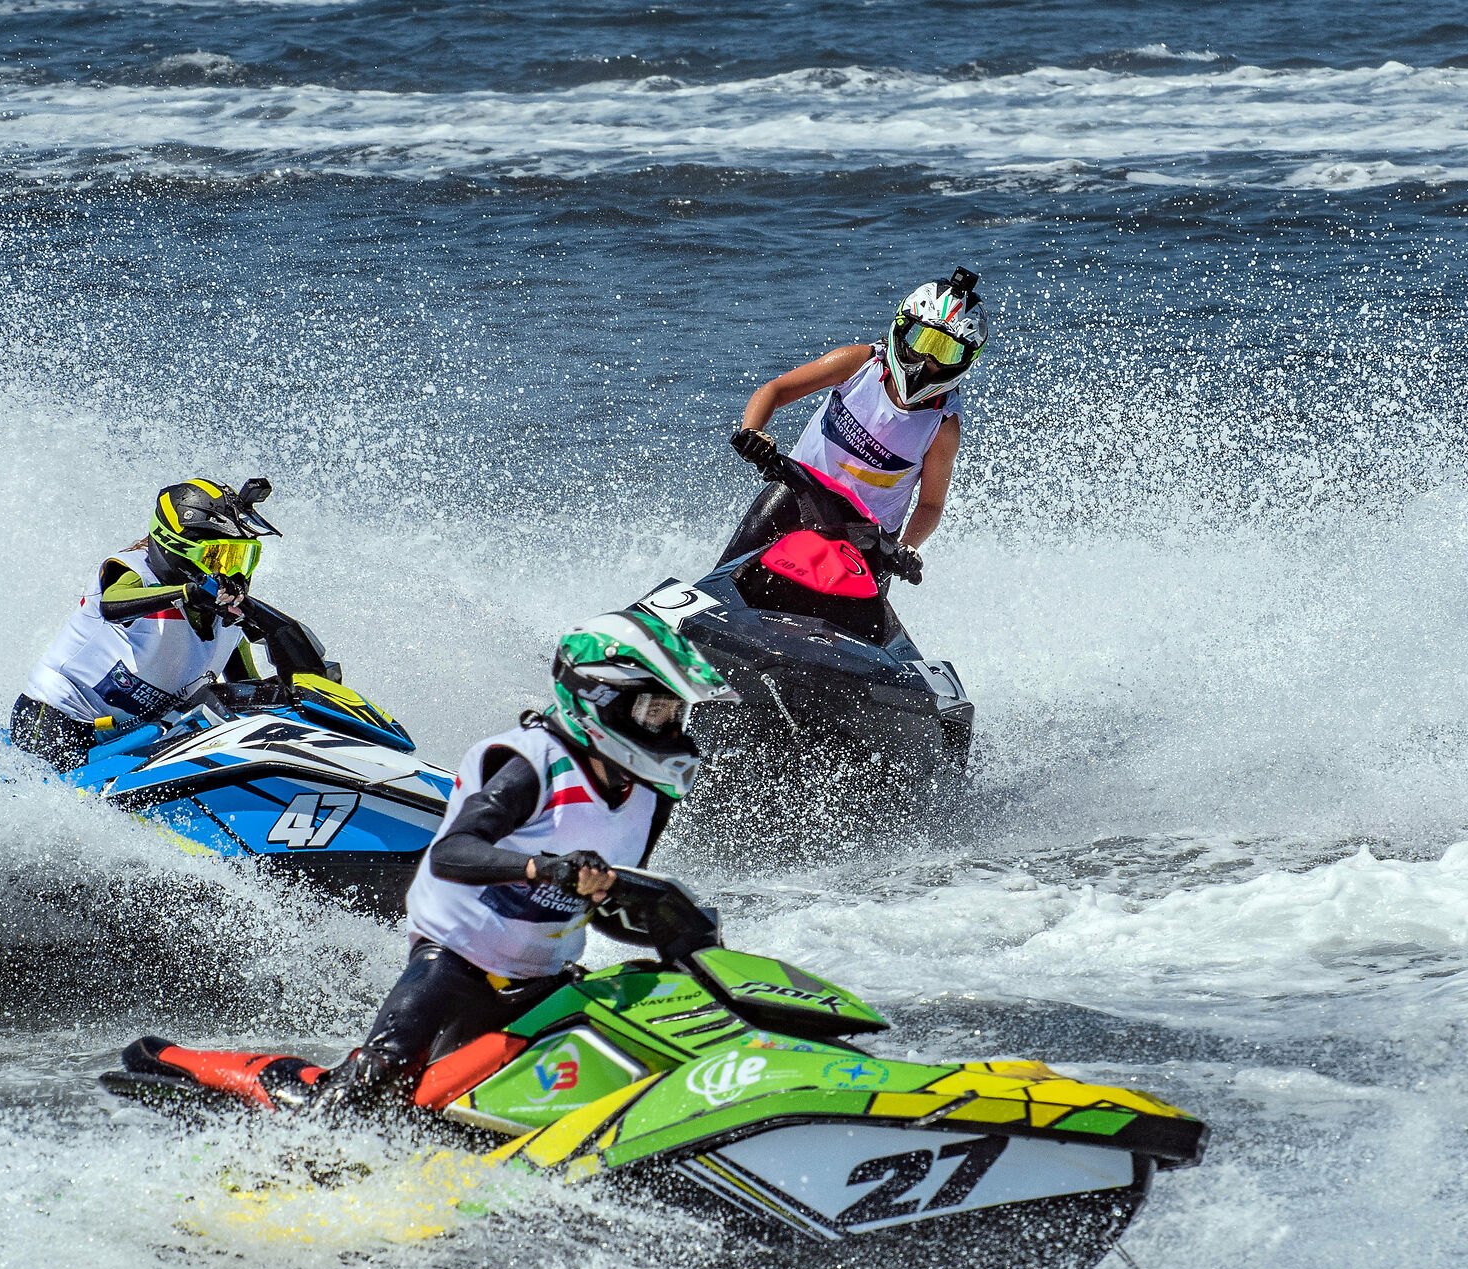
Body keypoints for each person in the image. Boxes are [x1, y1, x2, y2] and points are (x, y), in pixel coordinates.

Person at [315, 609, 739, 1111]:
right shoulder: (533, 763)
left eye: (674, 716)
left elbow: (604, 907)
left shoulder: (651, 795)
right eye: (654, 713)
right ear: (598, 698)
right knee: (376, 1081)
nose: (668, 732)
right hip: (452, 964)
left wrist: (674, 929)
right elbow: (451, 853)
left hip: (542, 981)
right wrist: (547, 868)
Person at [723, 267, 989, 571]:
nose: (926, 359)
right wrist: (752, 432)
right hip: (796, 496)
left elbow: (930, 505)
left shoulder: (943, 426)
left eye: (945, 352)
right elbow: (775, 391)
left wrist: (908, 548)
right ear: (902, 329)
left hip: (871, 541)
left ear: (966, 359)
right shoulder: (857, 363)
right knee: (730, 574)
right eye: (920, 340)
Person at [12, 477, 282, 770]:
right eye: (217, 557)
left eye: (241, 558)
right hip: (57, 719)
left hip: (131, 740)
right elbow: (112, 605)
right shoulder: (133, 571)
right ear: (177, 548)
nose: (230, 573)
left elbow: (243, 688)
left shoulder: (228, 622)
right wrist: (187, 593)